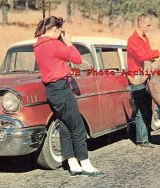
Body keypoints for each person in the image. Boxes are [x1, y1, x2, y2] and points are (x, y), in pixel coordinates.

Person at [33, 16, 104, 177]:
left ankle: (72, 163)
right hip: (62, 89)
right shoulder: (54, 45)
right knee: (78, 127)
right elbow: (78, 59)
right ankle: (85, 164)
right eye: (59, 31)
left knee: (65, 126)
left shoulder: (37, 46)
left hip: (51, 90)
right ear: (54, 30)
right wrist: (69, 43)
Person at [127, 14, 160, 148]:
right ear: (140, 24)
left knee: (148, 107)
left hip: (145, 76)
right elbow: (142, 55)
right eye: (148, 25)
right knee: (141, 108)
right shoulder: (133, 40)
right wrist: (158, 51)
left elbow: (147, 56)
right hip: (137, 78)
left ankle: (146, 138)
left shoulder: (145, 39)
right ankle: (142, 140)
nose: (150, 28)